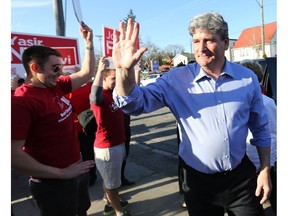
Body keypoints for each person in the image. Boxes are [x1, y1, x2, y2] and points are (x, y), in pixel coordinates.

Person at [112, 13, 271, 216]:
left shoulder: (247, 78)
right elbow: (134, 105)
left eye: (209, 40)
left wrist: (265, 170)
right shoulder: (175, 80)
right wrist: (123, 71)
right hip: (198, 184)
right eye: (196, 41)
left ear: (225, 42)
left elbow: (260, 128)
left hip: (240, 179)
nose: (201, 48)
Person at [11, 22, 96, 216]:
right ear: (34, 68)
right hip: (53, 183)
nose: (60, 73)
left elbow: (86, 73)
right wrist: (61, 173)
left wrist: (89, 45)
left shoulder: (55, 86)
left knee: (81, 211)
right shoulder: (21, 102)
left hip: (76, 171)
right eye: (55, 68)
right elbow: (12, 155)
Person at [90, 57, 130, 216]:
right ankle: (118, 212)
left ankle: (110, 203)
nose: (116, 81)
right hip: (107, 148)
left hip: (117, 144)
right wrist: (99, 71)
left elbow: (130, 87)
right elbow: (94, 96)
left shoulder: (113, 93)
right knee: (111, 183)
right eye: (113, 78)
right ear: (104, 79)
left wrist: (136, 71)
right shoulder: (100, 98)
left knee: (111, 180)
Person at [241, 60, 277, 214]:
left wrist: (269, 164)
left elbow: (273, 135)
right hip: (244, 165)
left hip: (261, 163)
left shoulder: (266, 103)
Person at [66, 80, 98, 186]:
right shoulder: (86, 89)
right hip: (86, 127)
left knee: (73, 157)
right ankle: (92, 177)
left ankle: (76, 177)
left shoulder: (63, 94)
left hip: (72, 130)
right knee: (89, 155)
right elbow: (92, 81)